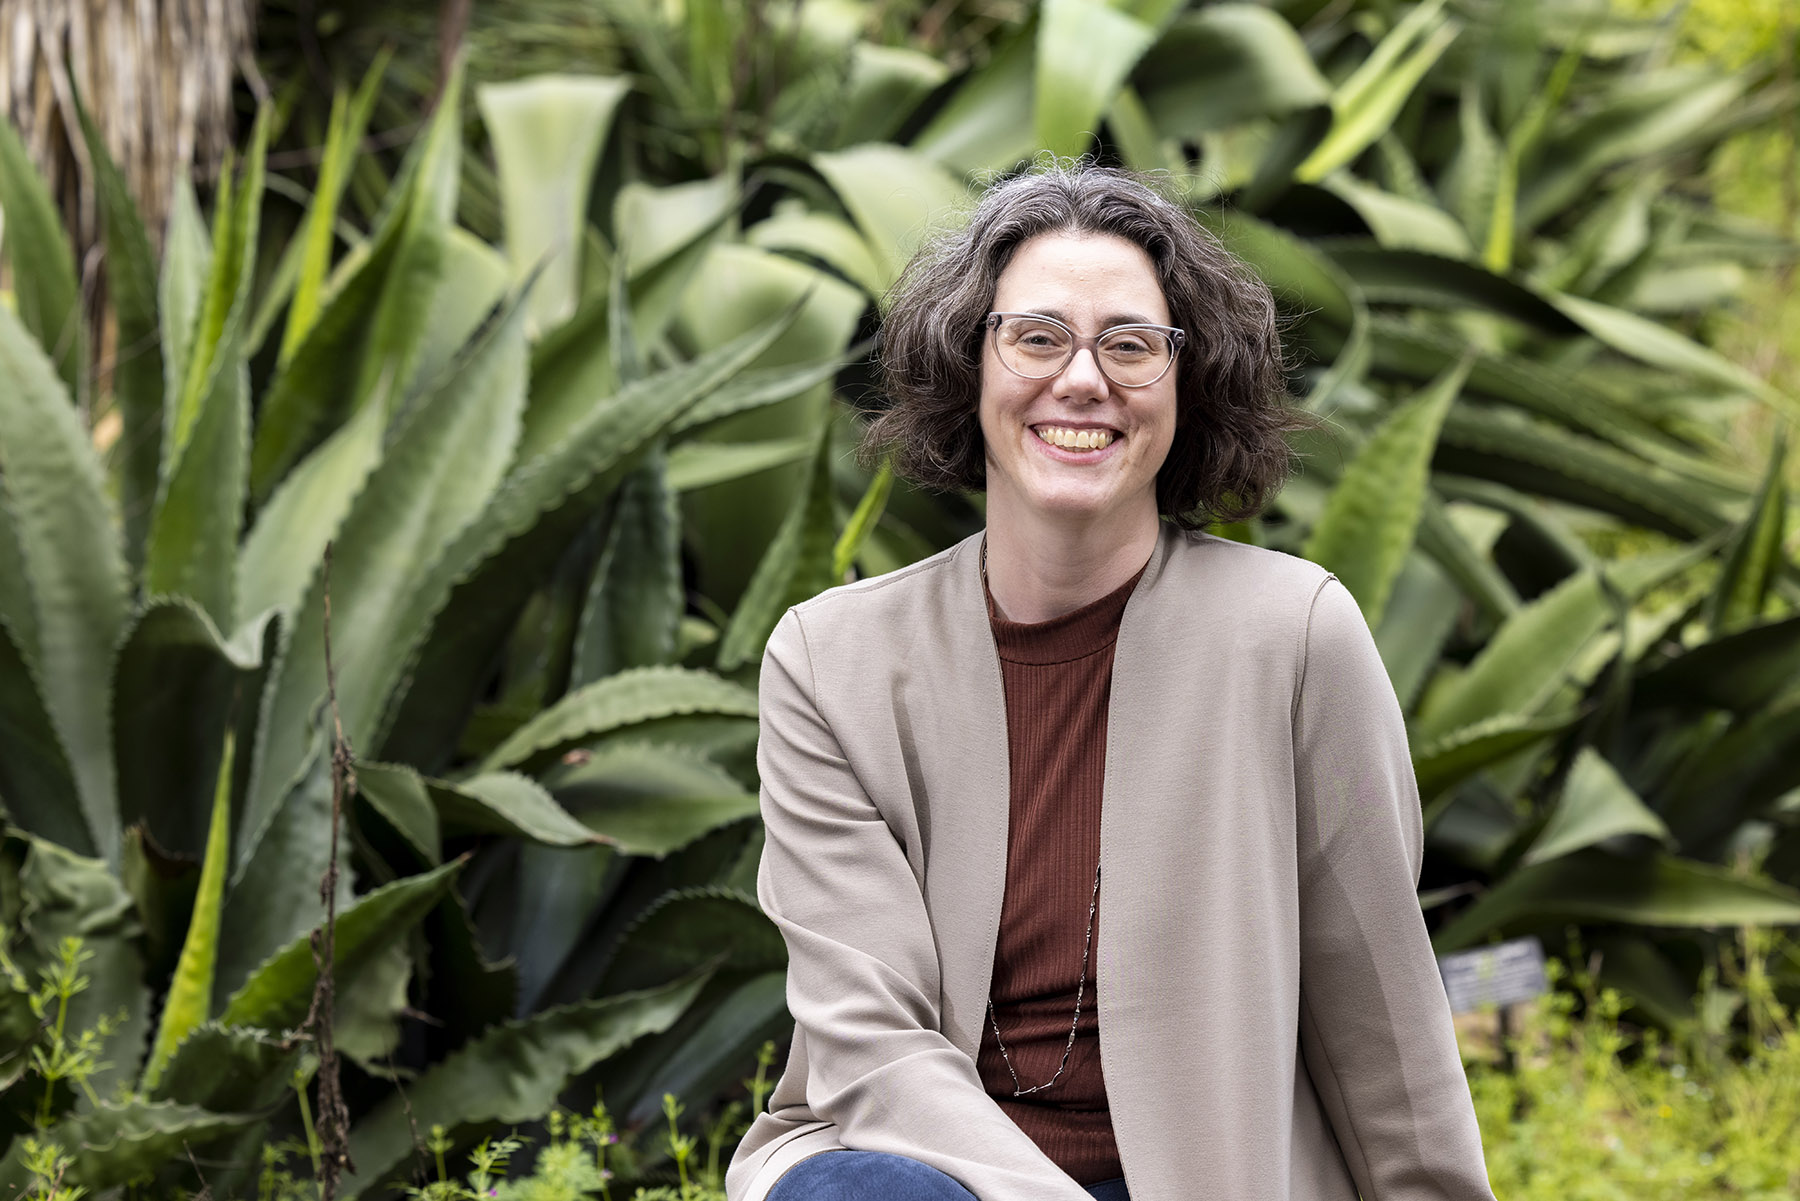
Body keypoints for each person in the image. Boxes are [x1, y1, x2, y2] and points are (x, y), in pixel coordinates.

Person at [725, 163, 1496, 1201]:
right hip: (928, 1176)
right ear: (970, 364)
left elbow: (1382, 1021)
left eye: (1131, 344)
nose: (1081, 379)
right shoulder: (833, 661)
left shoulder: (1294, 636)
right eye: (1037, 336)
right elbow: (868, 1039)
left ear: (1188, 384)